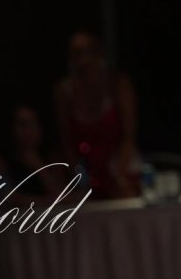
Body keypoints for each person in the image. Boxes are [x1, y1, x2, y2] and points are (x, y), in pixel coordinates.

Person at [54, 30, 140, 199]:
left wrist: (119, 175)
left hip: (119, 164)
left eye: (88, 51)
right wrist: (78, 177)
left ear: (98, 53)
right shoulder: (63, 91)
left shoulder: (117, 83)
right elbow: (66, 140)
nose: (83, 59)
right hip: (85, 169)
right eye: (77, 53)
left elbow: (128, 136)